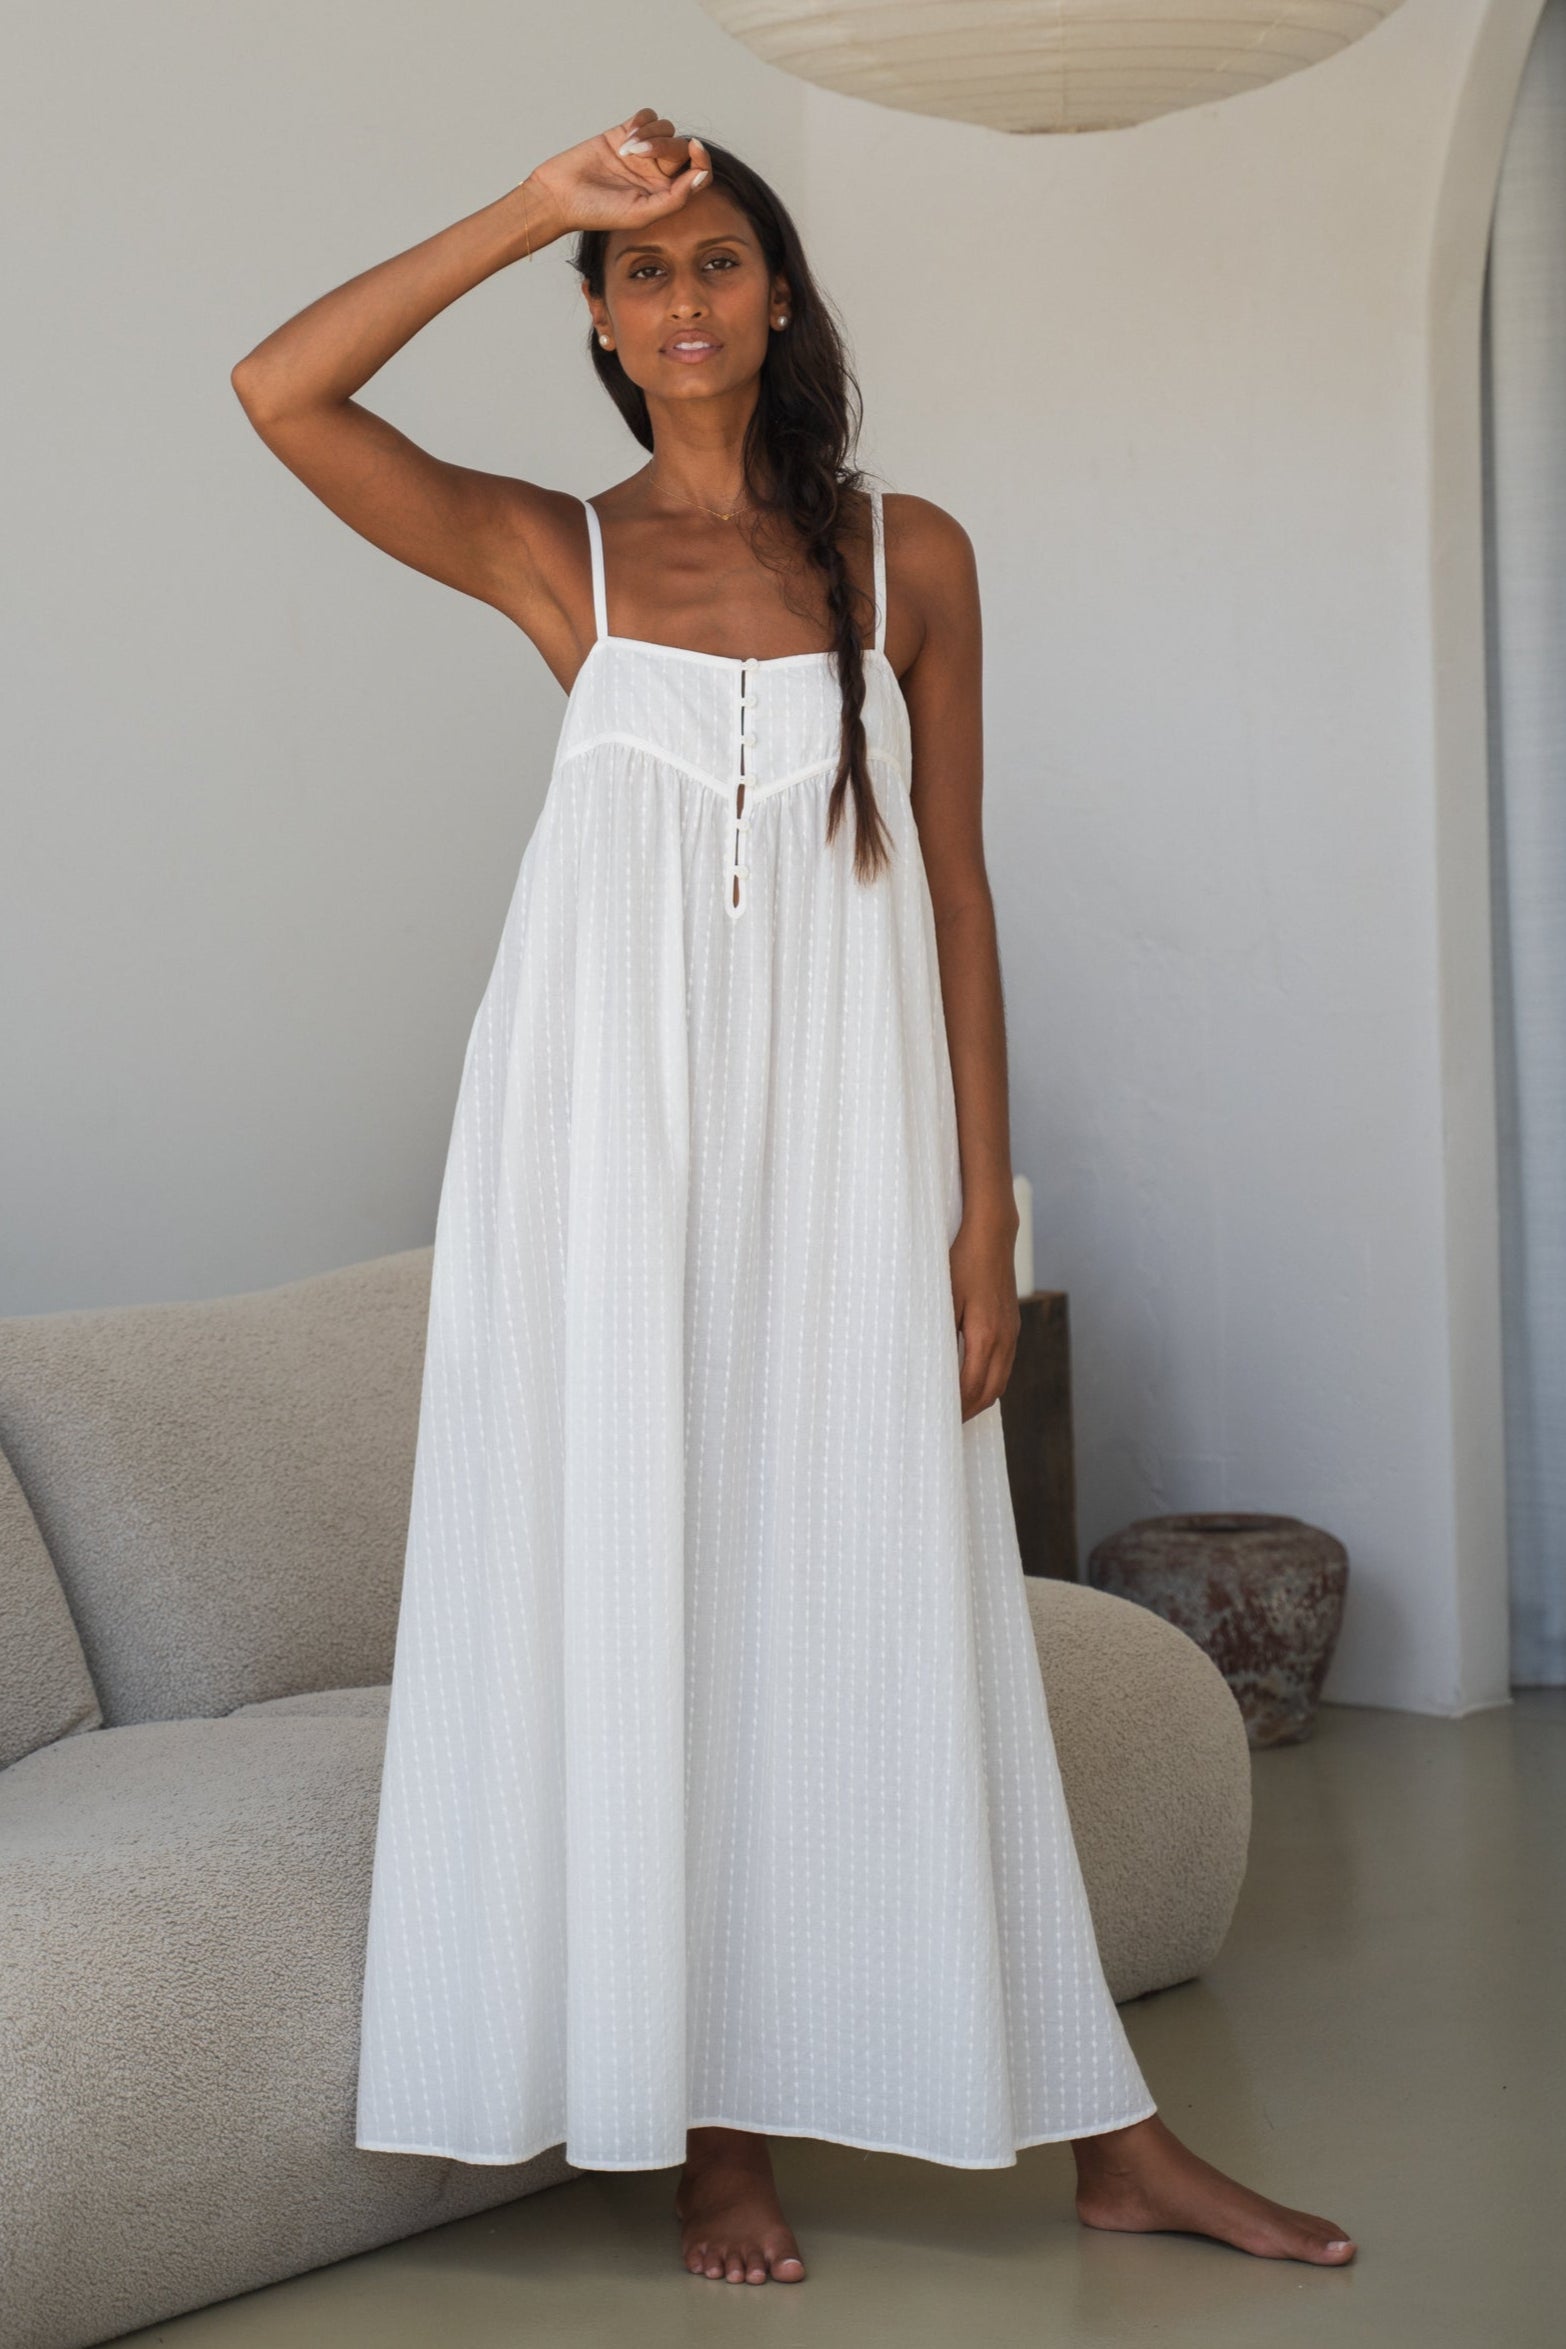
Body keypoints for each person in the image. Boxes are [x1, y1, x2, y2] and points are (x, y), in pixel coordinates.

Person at [230, 108, 1356, 2290]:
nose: (681, 301)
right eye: (640, 273)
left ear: (778, 295)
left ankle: (1107, 2133)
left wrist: (978, 1223)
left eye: (717, 259)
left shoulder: (903, 553)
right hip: (602, 1175)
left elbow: (957, 890)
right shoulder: (552, 550)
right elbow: (281, 390)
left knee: (898, 1606)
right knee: (664, 1601)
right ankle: (712, 2141)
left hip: (845, 1172)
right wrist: (534, 203)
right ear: (599, 319)